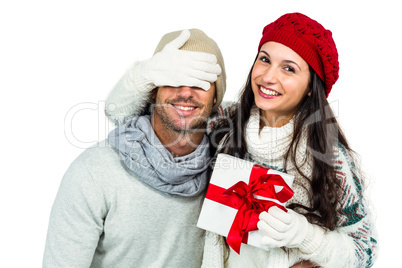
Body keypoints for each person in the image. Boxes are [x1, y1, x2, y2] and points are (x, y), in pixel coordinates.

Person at [104, 13, 378, 268]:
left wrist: (305, 236)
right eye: (265, 59)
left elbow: (365, 251)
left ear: (311, 88)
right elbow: (128, 119)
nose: (268, 76)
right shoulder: (224, 123)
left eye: (289, 69)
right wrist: (144, 75)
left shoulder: (331, 159)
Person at [43, 28, 226, 267]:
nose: (185, 92)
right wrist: (137, 77)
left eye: (199, 82)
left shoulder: (226, 169)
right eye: (172, 79)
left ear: (215, 99)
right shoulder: (93, 173)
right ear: (152, 90)